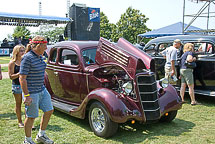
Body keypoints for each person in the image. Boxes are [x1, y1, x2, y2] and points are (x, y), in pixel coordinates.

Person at [19, 36, 54, 144]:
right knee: (31, 117)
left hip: (42, 89)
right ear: (38, 45)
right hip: (31, 92)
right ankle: (28, 140)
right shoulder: (27, 58)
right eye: (44, 45)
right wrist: (27, 95)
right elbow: (22, 78)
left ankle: (41, 135)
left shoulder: (40, 56)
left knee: (49, 110)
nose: (46, 47)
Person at [8, 45, 25, 128]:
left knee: (28, 104)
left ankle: (28, 121)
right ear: (16, 52)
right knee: (18, 104)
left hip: (26, 85)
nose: (23, 52)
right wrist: (20, 74)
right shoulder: (12, 63)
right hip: (17, 86)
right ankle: (20, 122)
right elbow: (11, 76)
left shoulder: (25, 61)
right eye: (21, 51)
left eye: (23, 50)